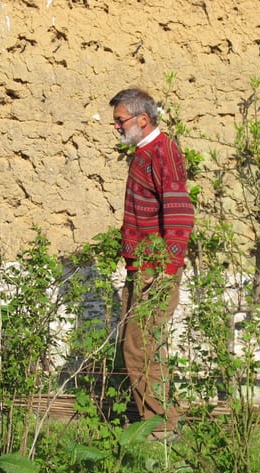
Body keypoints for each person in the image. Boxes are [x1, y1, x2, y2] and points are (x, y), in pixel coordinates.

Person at [109, 88, 195, 438]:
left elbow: (179, 212)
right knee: (142, 347)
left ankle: (161, 426)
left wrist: (167, 270)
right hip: (140, 269)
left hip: (155, 271)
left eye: (120, 121)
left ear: (142, 119)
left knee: (140, 347)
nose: (117, 127)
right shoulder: (143, 153)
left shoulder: (163, 151)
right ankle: (162, 420)